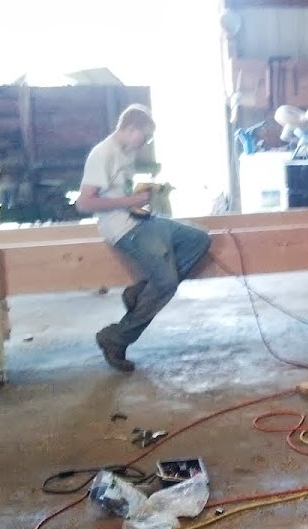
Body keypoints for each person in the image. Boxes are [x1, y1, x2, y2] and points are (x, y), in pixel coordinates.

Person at [75, 104, 212, 372]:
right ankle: (116, 337)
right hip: (122, 228)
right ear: (130, 128)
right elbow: (84, 203)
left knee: (199, 240)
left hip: (140, 220)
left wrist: (146, 194)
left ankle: (142, 291)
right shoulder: (102, 154)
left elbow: (119, 193)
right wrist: (131, 200)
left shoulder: (126, 151)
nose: (145, 142)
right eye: (144, 136)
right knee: (167, 283)